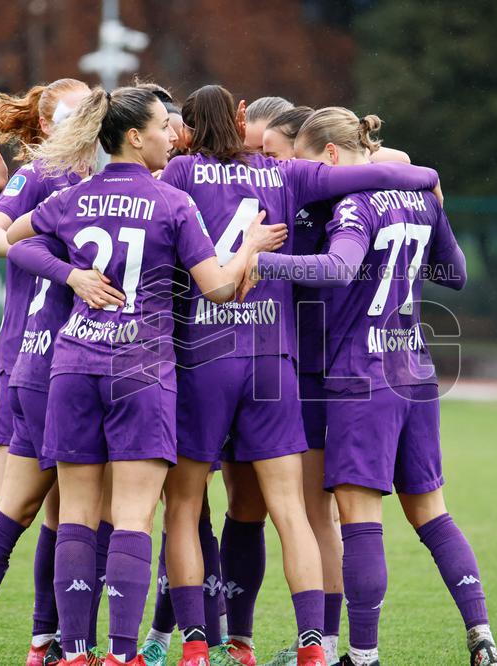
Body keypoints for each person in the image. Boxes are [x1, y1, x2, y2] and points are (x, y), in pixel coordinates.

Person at [157, 84, 440, 666]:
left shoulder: (179, 174)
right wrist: (414, 169)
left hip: (203, 358)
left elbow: (136, 205)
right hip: (273, 366)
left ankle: (192, 646)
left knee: (185, 507)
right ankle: (315, 644)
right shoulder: (282, 174)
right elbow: (389, 177)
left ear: (184, 129)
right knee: (292, 512)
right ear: (240, 118)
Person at [4, 85, 287, 666]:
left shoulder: (77, 195)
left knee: (77, 517)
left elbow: (12, 241)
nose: (170, 135)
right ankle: (123, 655)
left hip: (76, 366)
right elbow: (220, 287)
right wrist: (253, 246)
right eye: (162, 125)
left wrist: (70, 276)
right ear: (135, 136)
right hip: (142, 371)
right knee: (133, 517)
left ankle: (75, 652)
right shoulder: (171, 202)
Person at [239, 107, 497, 666]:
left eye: (311, 165)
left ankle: (361, 655)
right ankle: (482, 636)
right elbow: (454, 273)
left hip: (362, 373)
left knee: (358, 521)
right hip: (417, 369)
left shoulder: (352, 203)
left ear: (330, 156)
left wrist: (267, 262)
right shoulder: (422, 198)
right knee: (433, 513)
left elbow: (337, 268)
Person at [0, 77, 102, 666]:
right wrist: (62, 260)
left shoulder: (87, 181)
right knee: (28, 503)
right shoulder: (43, 176)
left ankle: (42, 641)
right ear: (58, 123)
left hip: (73, 359)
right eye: (83, 107)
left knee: (53, 508)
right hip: (31, 359)